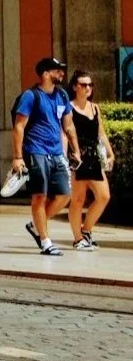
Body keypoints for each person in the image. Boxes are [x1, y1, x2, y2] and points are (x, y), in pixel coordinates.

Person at [12, 56, 80, 256]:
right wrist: (17, 157)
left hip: (57, 152)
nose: (61, 73)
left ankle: (35, 225)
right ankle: (45, 240)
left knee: (64, 195)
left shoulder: (62, 96)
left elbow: (68, 124)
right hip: (36, 151)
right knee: (39, 196)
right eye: (57, 70)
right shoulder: (30, 96)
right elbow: (19, 127)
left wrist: (75, 148)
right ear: (45, 74)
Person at [67, 70, 115, 251]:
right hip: (77, 157)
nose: (87, 88)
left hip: (94, 156)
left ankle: (86, 230)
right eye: (83, 84)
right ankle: (77, 239)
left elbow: (100, 132)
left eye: (90, 85)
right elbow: (66, 133)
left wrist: (110, 153)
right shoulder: (69, 108)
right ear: (74, 86)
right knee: (78, 199)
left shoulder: (94, 108)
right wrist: (72, 154)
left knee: (104, 196)